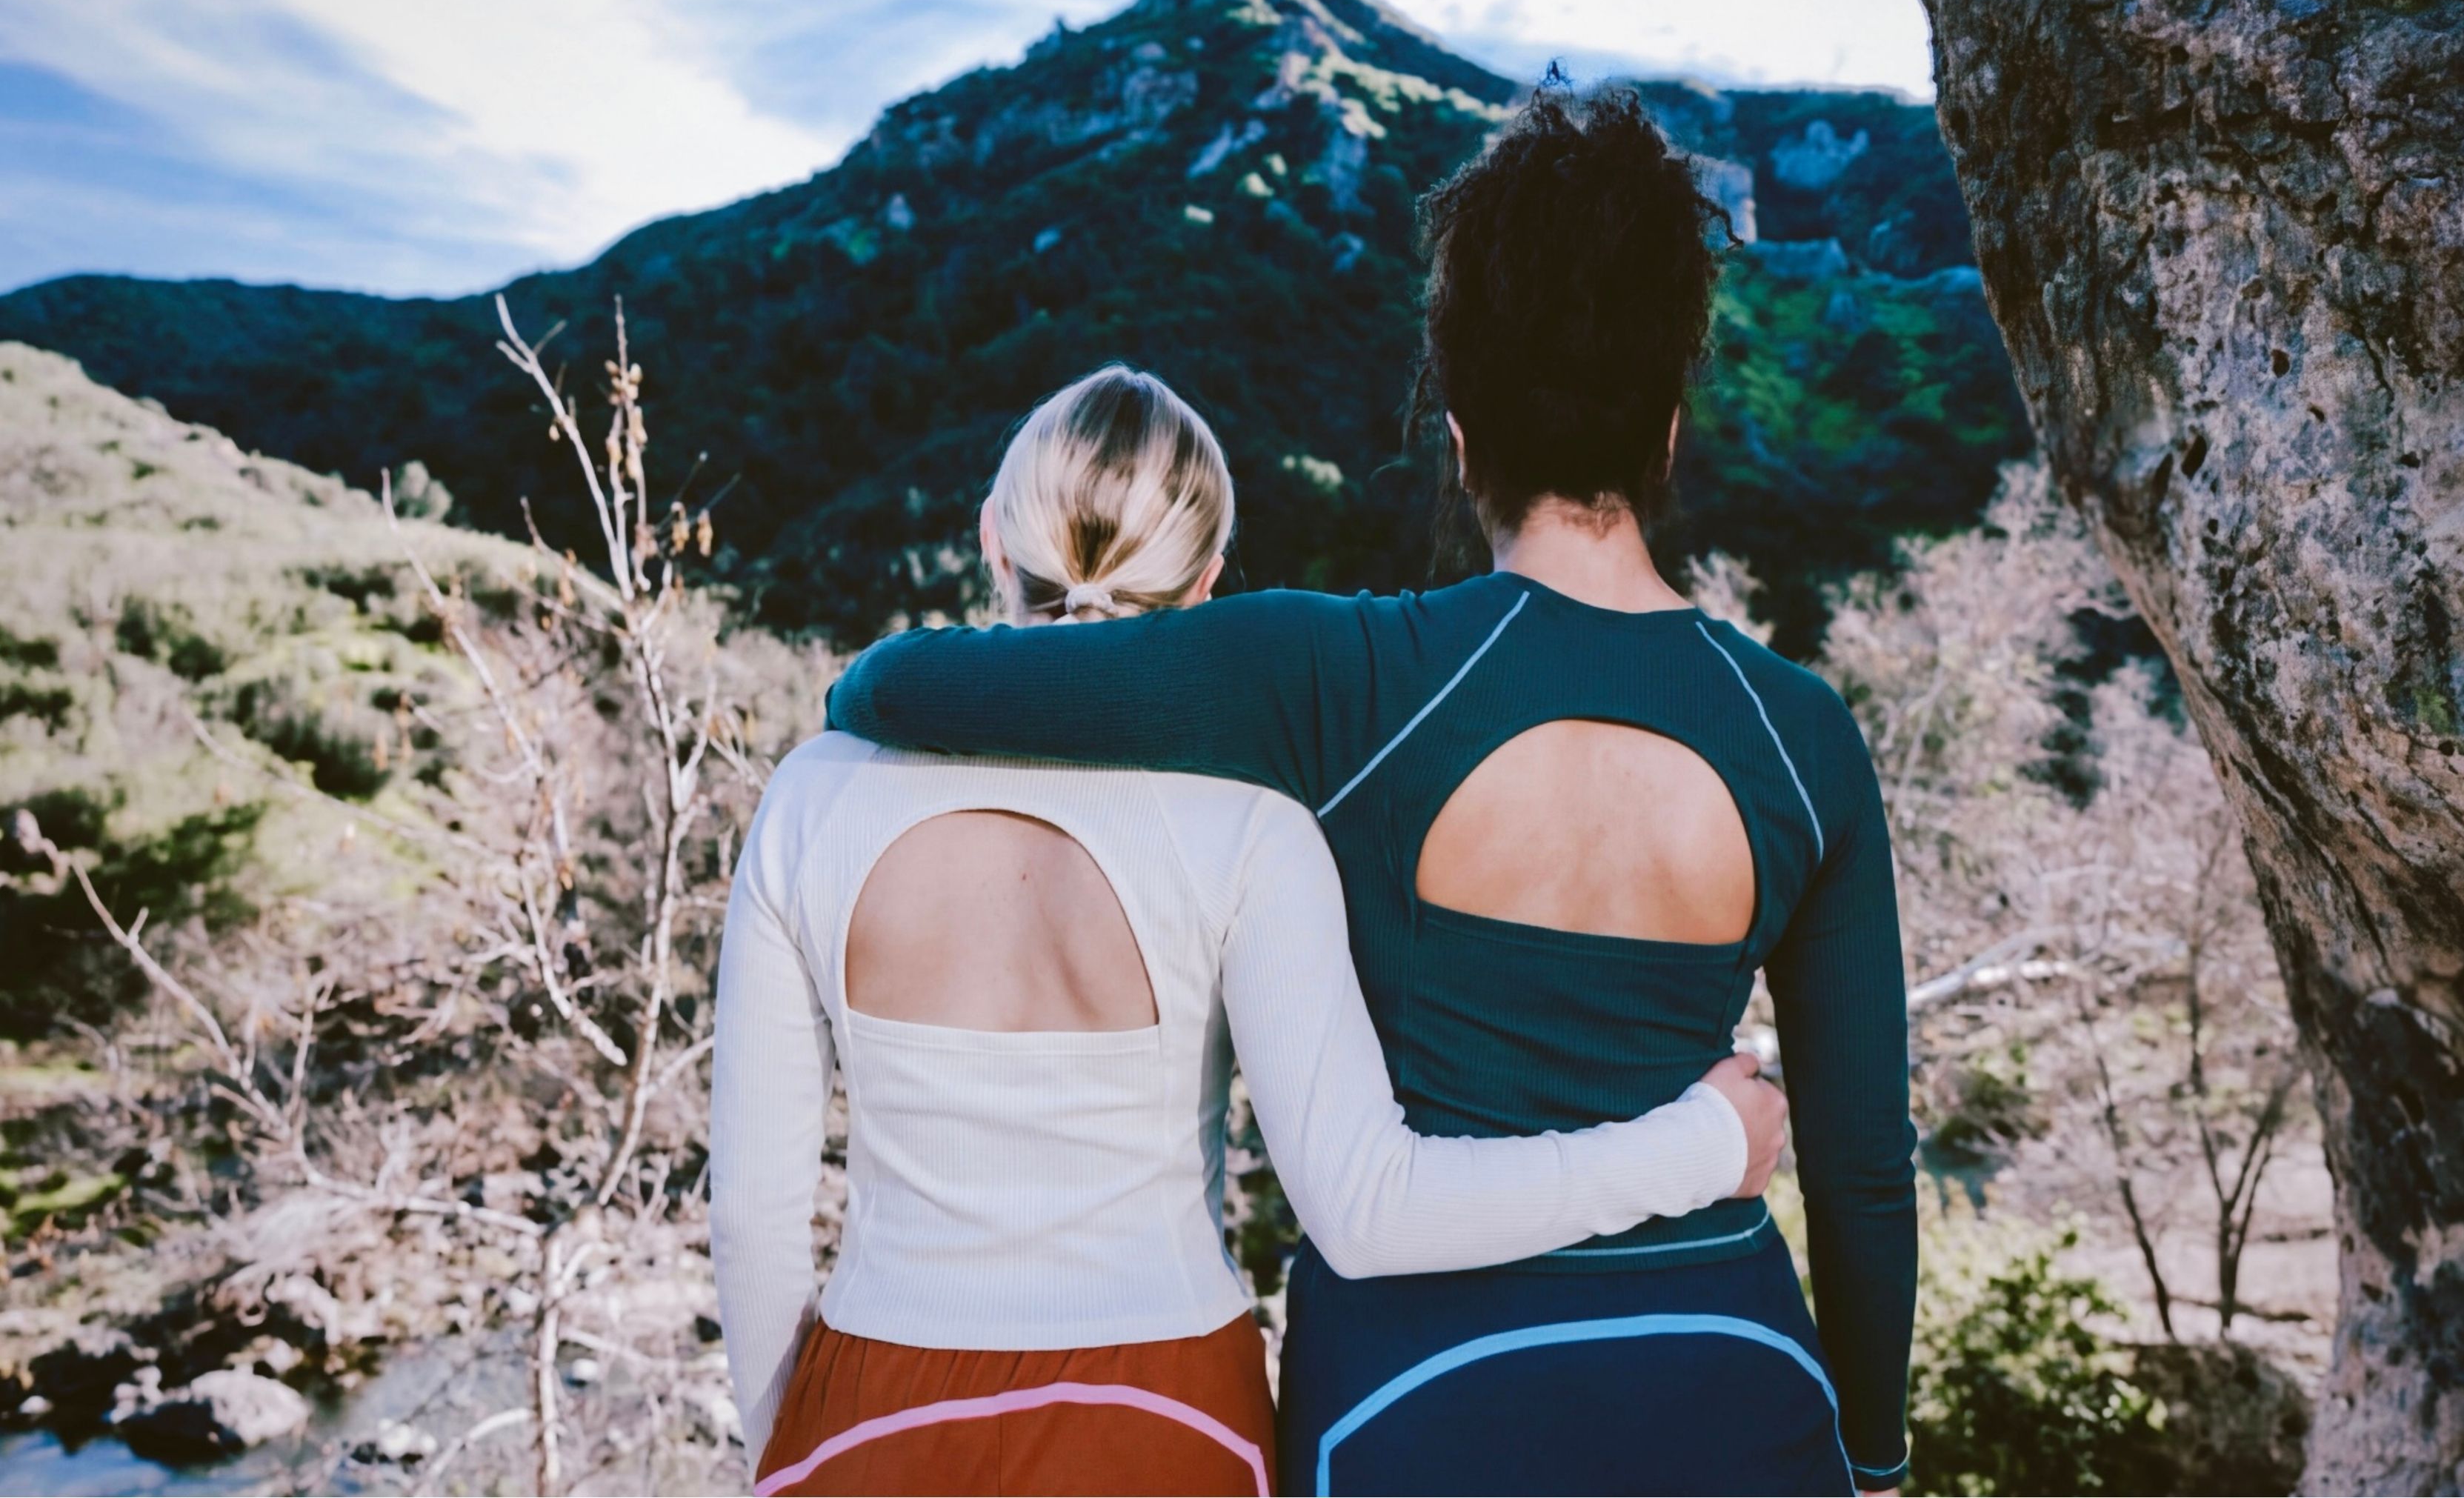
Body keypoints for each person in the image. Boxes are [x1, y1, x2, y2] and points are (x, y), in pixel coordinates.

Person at [825, 87, 1918, 1496]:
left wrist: (872, 673)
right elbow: (1863, 1168)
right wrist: (1873, 1462)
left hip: (1414, 1403)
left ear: (1459, 437)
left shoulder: (1339, 676)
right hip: (1737, 1378)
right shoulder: (1803, 738)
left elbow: (909, 687)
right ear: (1666, 427)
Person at [712, 363, 1788, 1498]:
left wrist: (788, 1453)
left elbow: (753, 1221)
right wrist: (1698, 1147)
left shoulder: (812, 799)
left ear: (993, 538)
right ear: (1210, 578)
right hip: (1171, 1420)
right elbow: (1368, 1210)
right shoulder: (1250, 825)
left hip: (868, 1415)